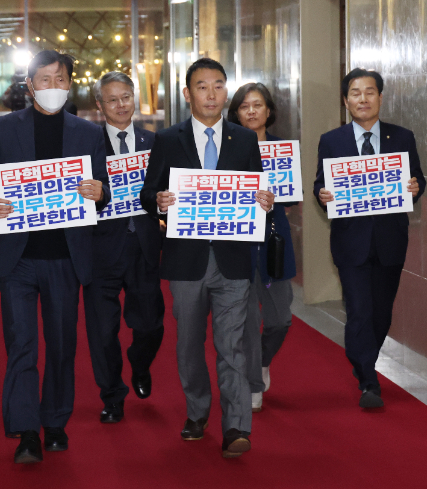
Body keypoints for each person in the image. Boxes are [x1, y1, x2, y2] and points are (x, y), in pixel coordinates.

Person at [0, 50, 110, 464]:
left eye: (60, 79)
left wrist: (98, 193)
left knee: (61, 343)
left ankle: (54, 423)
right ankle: (26, 432)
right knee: (21, 344)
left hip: (65, 258)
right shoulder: (3, 128)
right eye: (44, 79)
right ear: (30, 84)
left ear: (70, 84)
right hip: (17, 257)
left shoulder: (88, 133)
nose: (53, 86)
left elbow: (102, 188)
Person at [140, 58, 275, 458]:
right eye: (203, 86)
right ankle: (197, 411)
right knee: (188, 344)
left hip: (233, 258)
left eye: (219, 85)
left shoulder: (245, 140)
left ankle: (236, 426)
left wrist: (263, 200)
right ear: (188, 94)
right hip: (186, 260)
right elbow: (148, 194)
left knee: (232, 344)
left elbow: (256, 191)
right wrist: (159, 201)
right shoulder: (168, 139)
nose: (212, 94)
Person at [314, 68, 426, 409]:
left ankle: (364, 360)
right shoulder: (332, 140)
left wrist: (415, 188)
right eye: (356, 93)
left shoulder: (402, 137)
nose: (363, 99)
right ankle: (367, 378)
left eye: (370, 92)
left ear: (380, 96)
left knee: (381, 313)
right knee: (360, 310)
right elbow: (321, 182)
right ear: (346, 101)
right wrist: (323, 193)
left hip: (390, 239)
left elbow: (417, 178)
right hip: (351, 241)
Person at [83, 71, 164, 424]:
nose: (120, 105)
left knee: (150, 326)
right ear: (99, 105)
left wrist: (164, 202)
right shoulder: (87, 143)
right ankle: (112, 395)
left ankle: (140, 362)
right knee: (102, 332)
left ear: (135, 99)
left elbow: (167, 190)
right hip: (100, 248)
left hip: (144, 246)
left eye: (126, 97)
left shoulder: (156, 142)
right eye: (112, 99)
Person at [226, 83, 297, 412]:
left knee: (280, 319)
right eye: (244, 106)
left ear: (269, 111)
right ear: (236, 113)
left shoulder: (284, 149)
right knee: (246, 320)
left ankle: (263, 362)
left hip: (274, 240)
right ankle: (254, 382)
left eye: (258, 105)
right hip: (238, 239)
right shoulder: (226, 149)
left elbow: (294, 196)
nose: (251, 111)